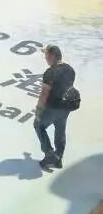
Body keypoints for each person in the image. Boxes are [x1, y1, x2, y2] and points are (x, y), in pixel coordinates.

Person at [34, 44, 76, 172]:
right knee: (60, 131)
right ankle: (58, 158)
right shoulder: (70, 70)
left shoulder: (49, 73)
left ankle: (49, 154)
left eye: (46, 55)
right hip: (66, 107)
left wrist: (38, 110)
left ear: (52, 56)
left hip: (52, 107)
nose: (45, 58)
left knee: (38, 125)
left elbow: (44, 93)